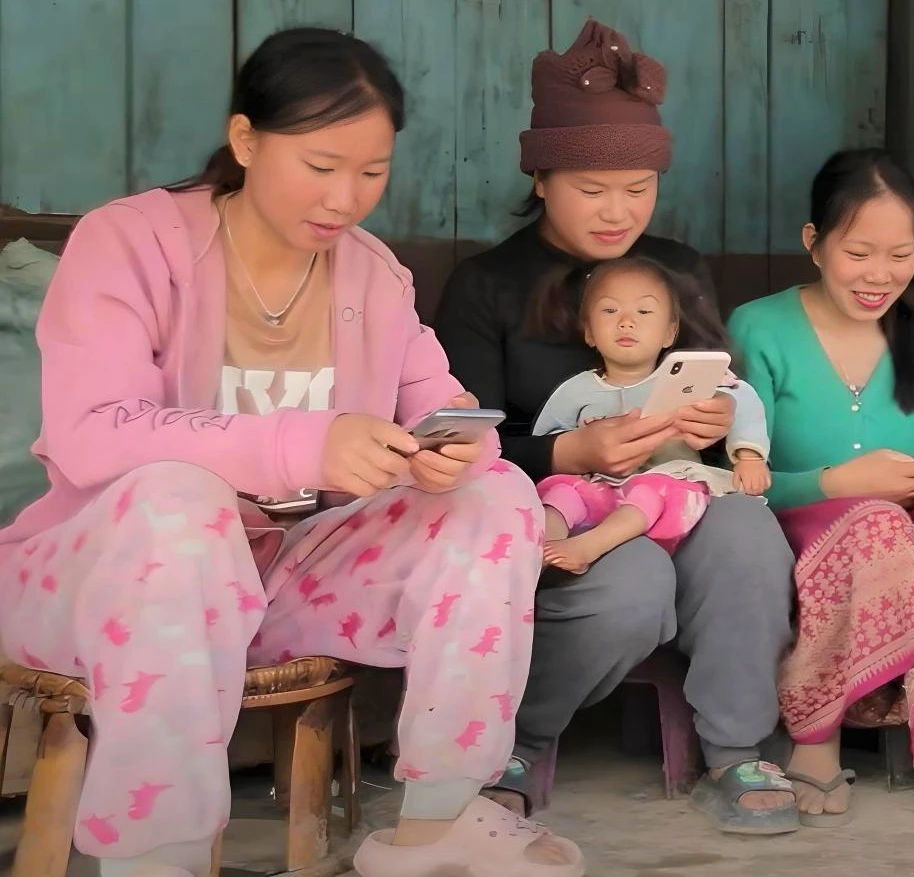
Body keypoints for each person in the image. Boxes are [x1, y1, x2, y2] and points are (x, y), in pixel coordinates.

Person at [0, 28, 584, 877]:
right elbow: (94, 431)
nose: (346, 196)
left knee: (492, 496)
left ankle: (436, 823)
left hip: (282, 584)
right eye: (320, 165)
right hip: (109, 581)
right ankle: (157, 857)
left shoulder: (372, 274)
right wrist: (306, 442)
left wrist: (452, 446)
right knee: (177, 501)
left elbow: (445, 403)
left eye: (372, 172)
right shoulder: (129, 242)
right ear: (245, 141)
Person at [430, 19, 798, 835]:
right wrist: (573, 449)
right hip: (556, 507)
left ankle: (736, 748)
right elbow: (460, 443)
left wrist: (711, 424)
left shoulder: (677, 268)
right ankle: (513, 739)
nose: (617, 211)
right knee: (631, 583)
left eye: (638, 189)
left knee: (747, 532)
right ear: (540, 173)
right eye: (592, 189)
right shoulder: (484, 286)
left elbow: (716, 391)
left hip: (671, 494)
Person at [728, 148, 914, 822]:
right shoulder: (760, 327)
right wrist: (839, 481)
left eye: (899, 254)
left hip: (896, 532)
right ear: (814, 244)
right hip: (793, 525)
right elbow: (737, 479)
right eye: (859, 252)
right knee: (874, 521)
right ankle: (815, 736)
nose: (880, 275)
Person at [528, 258, 769, 570]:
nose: (627, 321)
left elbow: (741, 398)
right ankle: (546, 548)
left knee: (653, 487)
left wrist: (749, 455)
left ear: (670, 333)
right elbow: (546, 446)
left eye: (644, 312)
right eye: (610, 311)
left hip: (667, 492)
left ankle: (591, 546)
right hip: (601, 491)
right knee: (560, 490)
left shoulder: (686, 380)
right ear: (588, 332)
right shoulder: (575, 391)